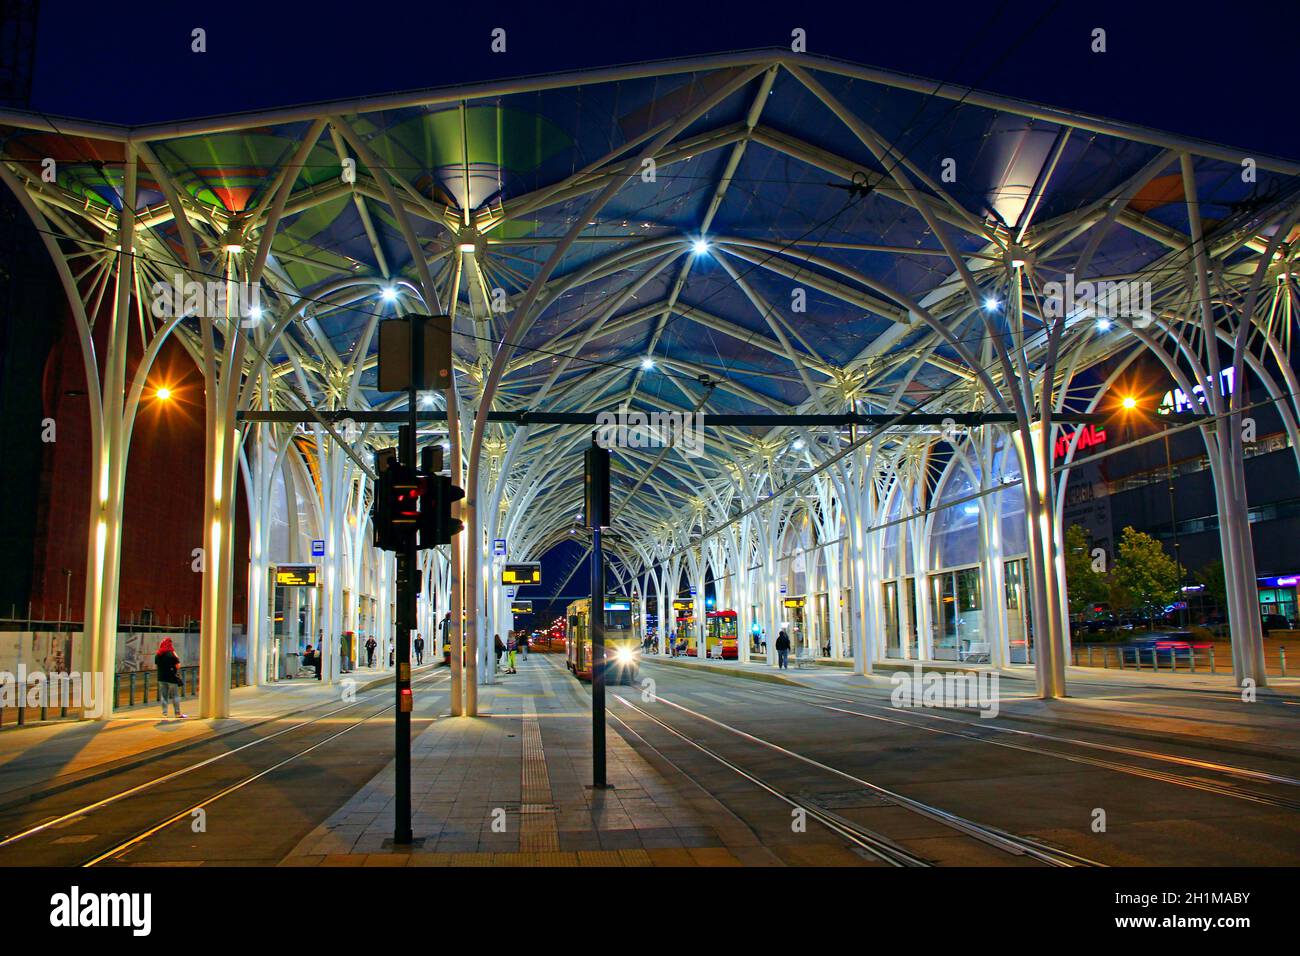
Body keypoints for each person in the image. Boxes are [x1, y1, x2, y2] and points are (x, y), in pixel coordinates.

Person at [155, 637, 187, 718]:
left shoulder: (158, 654)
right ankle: (177, 713)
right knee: (175, 695)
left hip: (161, 677)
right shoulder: (171, 654)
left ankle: (164, 713)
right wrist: (176, 656)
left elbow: (157, 665)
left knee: (163, 696)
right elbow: (178, 665)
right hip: (171, 677)